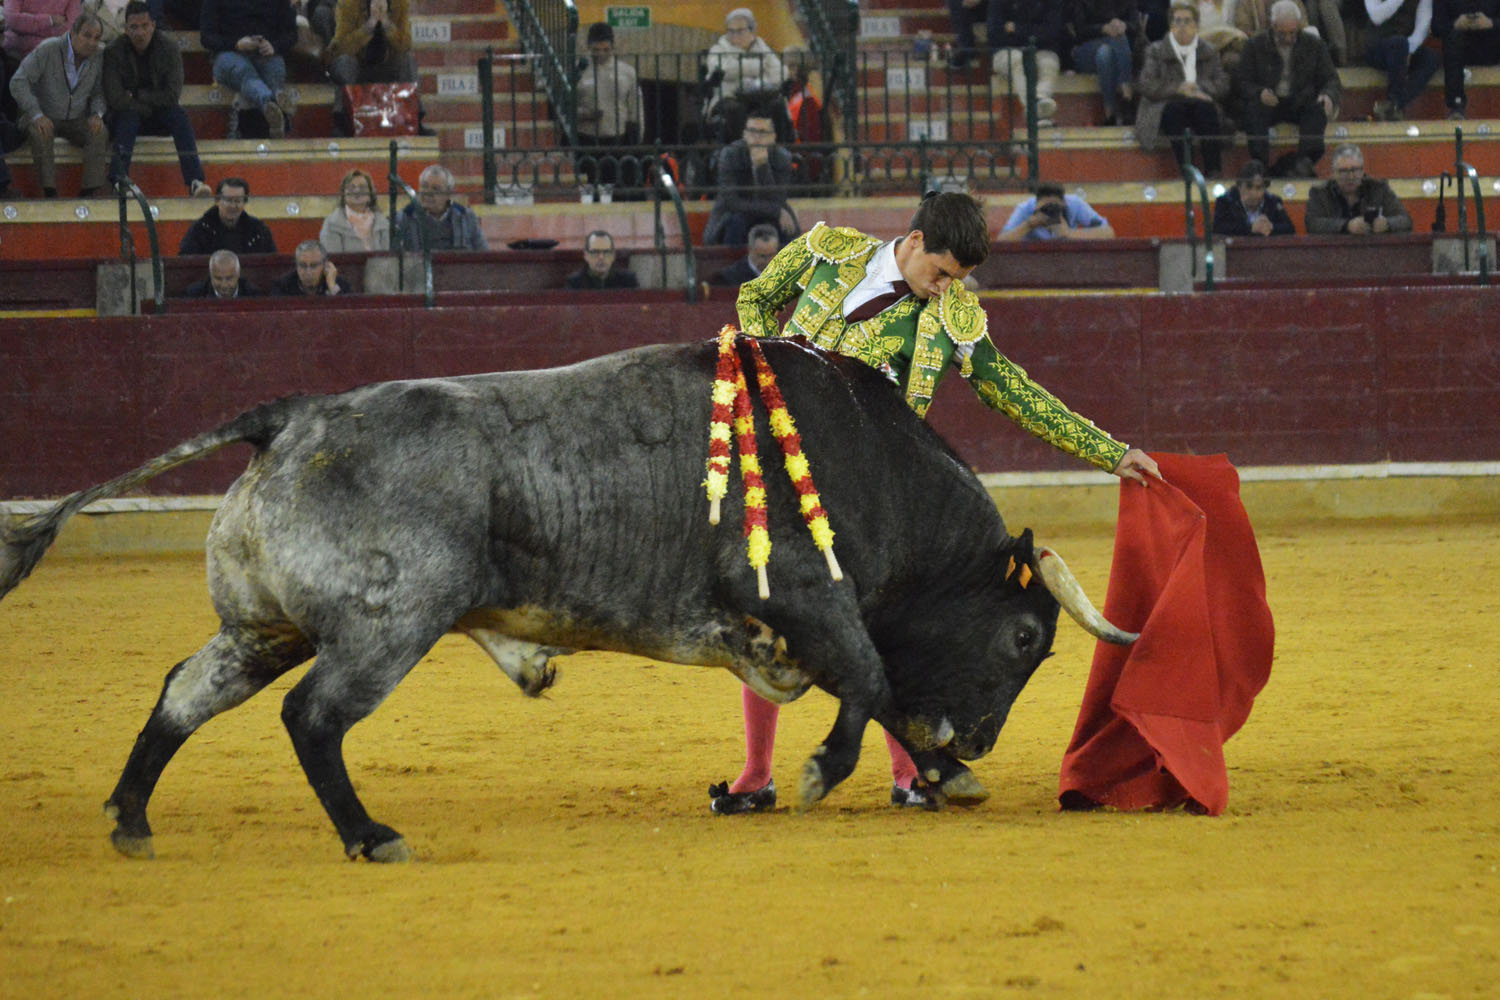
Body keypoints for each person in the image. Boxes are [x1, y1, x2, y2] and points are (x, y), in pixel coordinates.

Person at [709, 192, 1162, 815]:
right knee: (766, 614)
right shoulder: (825, 253)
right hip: (787, 477)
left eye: (958, 280)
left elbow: (1013, 392)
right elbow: (756, 298)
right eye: (942, 273)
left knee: (890, 626)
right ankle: (756, 774)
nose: (944, 289)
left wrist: (1108, 451)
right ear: (916, 241)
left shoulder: (953, 319)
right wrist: (768, 371)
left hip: (875, 497)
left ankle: (909, 775)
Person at [102, 2, 209, 197]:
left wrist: (136, 95)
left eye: (144, 26)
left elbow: (172, 95)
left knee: (179, 116)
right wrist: (144, 104)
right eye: (134, 27)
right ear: (125, 29)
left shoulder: (169, 47)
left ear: (153, 25)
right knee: (128, 116)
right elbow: (115, 99)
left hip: (156, 113)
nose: (140, 32)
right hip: (125, 117)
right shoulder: (113, 51)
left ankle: (196, 181)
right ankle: (119, 181)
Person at [1234, 0, 1340, 178]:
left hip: (1301, 100)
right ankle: (1260, 166)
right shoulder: (1254, 45)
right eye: (1283, 34)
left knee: (1316, 109)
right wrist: (1259, 93)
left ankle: (1304, 163)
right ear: (1273, 26)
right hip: (1268, 102)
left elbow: (1331, 79)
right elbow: (1240, 82)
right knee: (1253, 110)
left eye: (1293, 33)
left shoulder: (1314, 45)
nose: (1289, 38)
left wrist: (1327, 95)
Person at [8, 11, 107, 196]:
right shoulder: (48, 48)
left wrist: (97, 113)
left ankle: (90, 192)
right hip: (41, 114)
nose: (92, 43)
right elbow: (18, 82)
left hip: (75, 118)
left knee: (99, 131)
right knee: (41, 131)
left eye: (96, 38)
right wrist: (36, 114)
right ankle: (49, 192)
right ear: (73, 32)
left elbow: (99, 92)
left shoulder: (99, 56)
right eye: (87, 35)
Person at [1137, 2, 1229, 176]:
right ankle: (1188, 171)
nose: (1182, 26)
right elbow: (1146, 85)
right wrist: (1178, 88)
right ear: (1171, 25)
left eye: (1187, 21)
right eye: (1177, 21)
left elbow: (1222, 84)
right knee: (1174, 111)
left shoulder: (1209, 51)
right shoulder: (1155, 51)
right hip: (1165, 103)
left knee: (1207, 110)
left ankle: (1214, 170)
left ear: (1196, 25)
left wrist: (1198, 87)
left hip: (1200, 100)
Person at [198, 0, 297, 138]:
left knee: (275, 68)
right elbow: (207, 37)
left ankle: (277, 101)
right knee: (244, 71)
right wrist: (236, 44)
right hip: (228, 53)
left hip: (265, 54)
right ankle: (270, 102)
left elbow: (291, 34)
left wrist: (274, 46)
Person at [703, 106, 798, 247]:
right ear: (744, 135)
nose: (756, 138)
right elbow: (732, 202)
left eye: (762, 133)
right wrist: (776, 211)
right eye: (752, 132)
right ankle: (734, 267)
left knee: (788, 231)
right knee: (737, 223)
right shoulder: (730, 154)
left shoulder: (782, 158)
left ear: (773, 137)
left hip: (769, 216)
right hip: (733, 215)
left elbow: (778, 199)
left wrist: (763, 167)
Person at [574, 21, 641, 196]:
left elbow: (635, 107)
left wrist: (637, 136)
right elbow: (565, 105)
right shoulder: (578, 71)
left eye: (606, 49)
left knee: (614, 190)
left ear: (612, 47)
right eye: (596, 50)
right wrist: (583, 114)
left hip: (617, 138)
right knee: (588, 192)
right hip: (586, 138)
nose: (601, 54)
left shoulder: (627, 72)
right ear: (589, 47)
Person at [988, 0, 1069, 125]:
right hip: (1004, 52)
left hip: (1041, 50)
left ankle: (1039, 100)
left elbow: (1052, 32)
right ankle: (1037, 111)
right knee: (1019, 60)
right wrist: (1033, 33)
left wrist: (1017, 29)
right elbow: (996, 34)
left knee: (1050, 63)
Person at [1305, 142, 1413, 233]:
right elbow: (1312, 224)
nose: (1351, 176)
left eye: (1355, 170)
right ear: (1333, 173)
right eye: (1344, 171)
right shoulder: (1320, 193)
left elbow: (1405, 220)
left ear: (1362, 171)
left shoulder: (1379, 188)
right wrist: (1346, 226)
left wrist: (1387, 224)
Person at [1363, 0, 1440, 120]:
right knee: (1399, 43)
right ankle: (1394, 100)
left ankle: (1396, 104)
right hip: (1377, 46)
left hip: (1404, 47)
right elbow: (1376, 17)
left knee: (1431, 58)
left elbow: (1423, 24)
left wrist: (1411, 49)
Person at [703, 7, 784, 119]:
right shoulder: (718, 49)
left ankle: (781, 137)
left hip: (759, 96)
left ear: (752, 31)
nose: (734, 35)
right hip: (728, 97)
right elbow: (724, 71)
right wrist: (756, 67)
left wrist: (760, 84)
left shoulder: (763, 49)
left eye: (740, 31)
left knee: (777, 105)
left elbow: (779, 73)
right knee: (736, 109)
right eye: (731, 31)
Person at [1070, 0, 1140, 125]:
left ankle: (1109, 114)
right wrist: (1103, 29)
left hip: (1115, 52)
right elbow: (1080, 31)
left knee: (1105, 53)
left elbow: (1135, 26)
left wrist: (1123, 25)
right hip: (1086, 50)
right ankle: (1127, 94)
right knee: (1115, 40)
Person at [395, 163, 488, 250]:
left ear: (448, 193)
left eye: (435, 188)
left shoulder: (466, 216)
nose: (428, 193)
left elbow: (484, 255)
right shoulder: (405, 217)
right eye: (424, 186)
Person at [1433, 0, 1500, 119]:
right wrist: (1455, 24)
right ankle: (1456, 106)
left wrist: (1491, 23)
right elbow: (1436, 28)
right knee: (1453, 38)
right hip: (1460, 51)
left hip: (1492, 48)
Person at [179, 176, 277, 254]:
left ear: (245, 202)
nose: (233, 206)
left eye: (238, 201)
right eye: (228, 200)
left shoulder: (258, 230)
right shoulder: (200, 229)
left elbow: (272, 263)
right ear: (217, 201)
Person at [326, 0, 414, 86]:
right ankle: (350, 99)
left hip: (386, 65)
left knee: (407, 60)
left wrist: (387, 24)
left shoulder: (400, 3)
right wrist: (368, 27)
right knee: (345, 63)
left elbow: (406, 46)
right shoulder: (348, 3)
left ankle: (410, 100)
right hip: (358, 66)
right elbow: (340, 49)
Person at [999, 181, 1117, 240]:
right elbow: (1001, 241)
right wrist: (1028, 225)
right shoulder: (1025, 208)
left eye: (1055, 207)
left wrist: (1069, 233)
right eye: (1045, 208)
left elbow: (1108, 232)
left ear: (1064, 203)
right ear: (1036, 205)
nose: (1050, 211)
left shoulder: (1075, 204)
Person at [1212, 158, 1296, 234]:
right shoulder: (1225, 202)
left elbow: (1290, 229)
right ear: (1239, 186)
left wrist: (1271, 227)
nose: (1253, 193)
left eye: (1259, 188)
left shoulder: (1273, 201)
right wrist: (1250, 228)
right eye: (1249, 187)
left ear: (1265, 188)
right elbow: (1218, 229)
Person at [320, 166, 388, 251]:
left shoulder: (383, 223)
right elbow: (333, 259)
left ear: (371, 193)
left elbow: (389, 259)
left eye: (362, 187)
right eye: (351, 187)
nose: (357, 191)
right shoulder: (332, 224)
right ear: (343, 193)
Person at [562, 229, 639, 290]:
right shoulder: (574, 283)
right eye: (595, 252)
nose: (601, 257)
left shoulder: (629, 281)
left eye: (606, 252)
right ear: (586, 255)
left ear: (613, 255)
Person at [270, 239, 351, 296]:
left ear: (325, 265)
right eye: (302, 265)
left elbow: (348, 314)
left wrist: (332, 286)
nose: (308, 272)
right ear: (296, 265)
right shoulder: (282, 286)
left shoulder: (339, 284)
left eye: (314, 265)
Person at [708, 221, 779, 285]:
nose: (768, 261)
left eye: (771, 255)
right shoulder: (730, 278)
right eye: (762, 256)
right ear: (750, 250)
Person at [182, 248, 263, 297]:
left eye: (229, 278)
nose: (224, 285)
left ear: (238, 275)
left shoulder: (253, 295)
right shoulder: (194, 295)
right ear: (210, 275)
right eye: (218, 278)